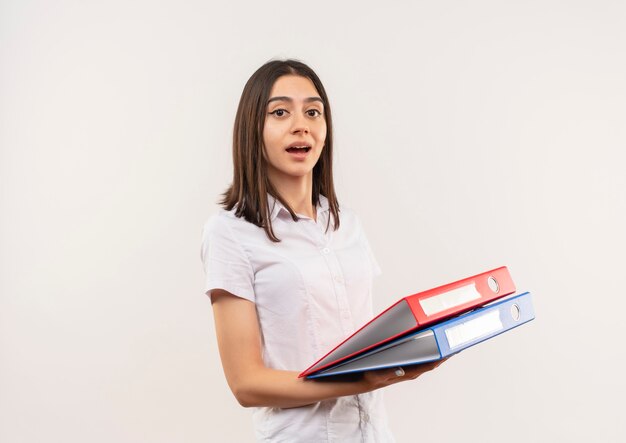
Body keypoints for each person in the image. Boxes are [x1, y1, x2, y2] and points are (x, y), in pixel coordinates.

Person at [201, 59, 445, 442]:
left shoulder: (346, 223)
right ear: (253, 130)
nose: (302, 124)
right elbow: (245, 383)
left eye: (313, 112)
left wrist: (409, 350)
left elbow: (360, 334)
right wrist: (359, 381)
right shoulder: (230, 233)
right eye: (280, 112)